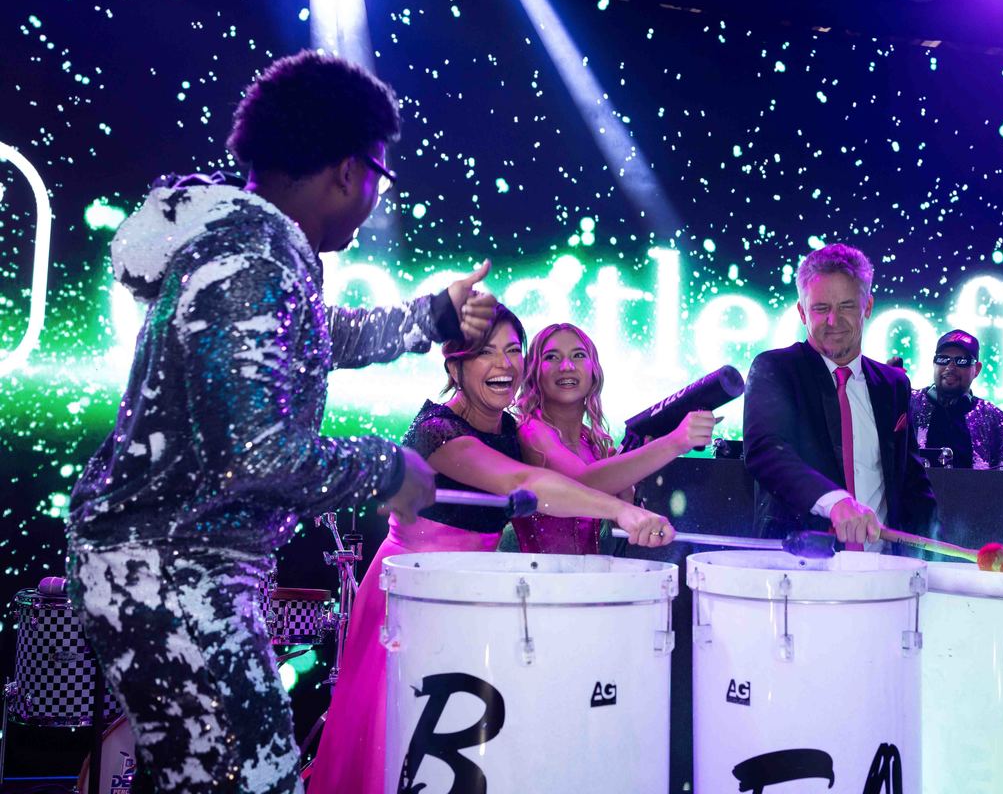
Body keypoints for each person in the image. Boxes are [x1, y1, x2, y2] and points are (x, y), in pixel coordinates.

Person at [64, 51, 498, 794]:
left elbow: (318, 335)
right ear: (348, 170)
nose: (375, 199)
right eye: (381, 177)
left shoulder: (251, 250)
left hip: (166, 564)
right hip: (172, 570)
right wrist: (387, 468)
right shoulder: (254, 259)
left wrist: (431, 316)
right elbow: (255, 455)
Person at [306, 307, 675, 794]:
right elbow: (525, 481)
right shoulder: (437, 431)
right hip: (411, 597)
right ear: (454, 365)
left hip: (472, 598)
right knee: (398, 739)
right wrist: (621, 513)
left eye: (513, 349)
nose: (504, 363)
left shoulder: (510, 430)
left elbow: (574, 480)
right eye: (485, 352)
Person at [743, 243, 937, 549]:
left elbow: (911, 482)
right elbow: (766, 451)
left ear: (867, 307)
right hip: (799, 565)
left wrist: (932, 551)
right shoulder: (776, 369)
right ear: (802, 312)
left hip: (883, 568)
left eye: (846, 306)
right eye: (821, 308)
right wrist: (835, 502)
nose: (833, 321)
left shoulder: (893, 385)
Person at [511, 323, 718, 553]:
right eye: (552, 357)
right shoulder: (530, 431)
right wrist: (675, 442)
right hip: (535, 573)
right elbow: (580, 485)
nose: (567, 366)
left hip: (592, 574)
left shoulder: (593, 443)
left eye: (578, 355)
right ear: (533, 372)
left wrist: (630, 480)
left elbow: (621, 527)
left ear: (594, 372)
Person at [910, 330, 1003, 470]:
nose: (950, 367)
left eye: (962, 361)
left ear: (977, 369)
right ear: (933, 363)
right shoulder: (907, 404)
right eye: (943, 359)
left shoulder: (994, 418)